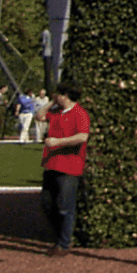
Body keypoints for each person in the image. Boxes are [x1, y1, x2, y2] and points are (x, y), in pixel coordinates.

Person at [40, 84, 89, 255]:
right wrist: (49, 103)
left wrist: (58, 142)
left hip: (69, 165)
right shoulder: (55, 112)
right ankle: (60, 237)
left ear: (65, 96)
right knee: (47, 203)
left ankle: (64, 243)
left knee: (64, 206)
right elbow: (39, 116)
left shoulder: (79, 113)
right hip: (51, 163)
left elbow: (82, 136)